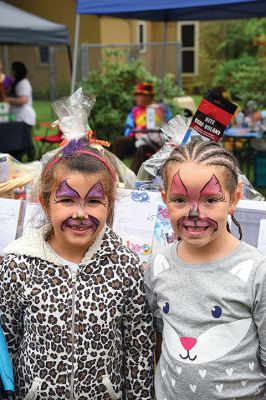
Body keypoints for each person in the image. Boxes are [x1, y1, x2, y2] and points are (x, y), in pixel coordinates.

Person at [0, 136, 154, 399]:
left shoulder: (126, 268)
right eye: (68, 200)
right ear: (46, 202)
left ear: (109, 204)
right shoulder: (17, 265)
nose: (80, 213)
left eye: (93, 201)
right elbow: (8, 344)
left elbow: (138, 351)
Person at [144, 138, 266, 399]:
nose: (195, 212)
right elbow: (159, 337)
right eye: (179, 199)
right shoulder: (159, 264)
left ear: (234, 199)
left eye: (210, 200)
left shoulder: (258, 272)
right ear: (164, 199)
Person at [113, 81, 172, 174]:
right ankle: (114, 173)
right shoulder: (135, 111)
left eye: (139, 95)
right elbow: (127, 129)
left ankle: (134, 177)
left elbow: (170, 127)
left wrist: (161, 117)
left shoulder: (162, 109)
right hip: (136, 140)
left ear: (148, 96)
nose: (137, 98)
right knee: (120, 142)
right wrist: (134, 133)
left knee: (143, 148)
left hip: (155, 142)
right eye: (137, 95)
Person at [6, 61, 36, 161]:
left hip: (24, 118)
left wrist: (6, 99)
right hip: (18, 118)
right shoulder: (17, 83)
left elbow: (23, 100)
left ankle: (31, 161)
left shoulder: (23, 83)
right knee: (19, 143)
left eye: (12, 70)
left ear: (16, 71)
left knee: (26, 142)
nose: (11, 72)